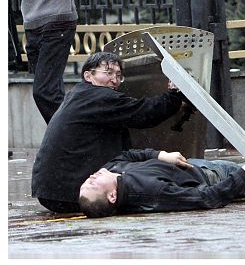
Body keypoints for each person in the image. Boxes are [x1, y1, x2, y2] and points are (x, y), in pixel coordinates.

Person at [31, 51, 184, 213]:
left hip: (52, 192)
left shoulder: (80, 95)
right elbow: (145, 113)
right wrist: (174, 93)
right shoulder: (100, 97)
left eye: (118, 75)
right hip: (72, 195)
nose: (114, 80)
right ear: (88, 76)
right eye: (108, 73)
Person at [78, 148, 245, 217]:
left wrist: (162, 155)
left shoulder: (114, 170)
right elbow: (206, 199)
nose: (90, 177)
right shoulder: (149, 193)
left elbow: (127, 154)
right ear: (113, 197)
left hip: (195, 165)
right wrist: (243, 174)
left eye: (85, 181)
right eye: (92, 185)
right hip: (218, 175)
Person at [20, 0, 78, 124]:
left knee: (44, 92)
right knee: (52, 92)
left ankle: (73, 138)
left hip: (57, 19)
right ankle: (68, 138)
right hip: (31, 23)